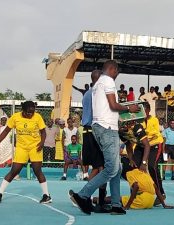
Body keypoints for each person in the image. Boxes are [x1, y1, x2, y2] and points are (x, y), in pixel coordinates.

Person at [69, 60, 139, 215]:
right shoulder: (107, 80)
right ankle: (83, 195)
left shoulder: (96, 85)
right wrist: (129, 108)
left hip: (101, 127)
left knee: (117, 167)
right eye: (117, 72)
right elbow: (114, 106)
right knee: (111, 168)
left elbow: (107, 107)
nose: (117, 75)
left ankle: (115, 204)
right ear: (112, 69)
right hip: (107, 128)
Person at [0, 101, 51, 203]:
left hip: (35, 147)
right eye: (28, 112)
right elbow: (6, 131)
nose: (31, 114)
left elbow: (43, 132)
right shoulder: (15, 117)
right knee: (14, 171)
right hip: (21, 148)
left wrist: (42, 143)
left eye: (32, 112)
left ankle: (46, 196)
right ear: (23, 110)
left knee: (37, 171)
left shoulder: (37, 117)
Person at [120, 102, 166, 203]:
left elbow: (153, 135)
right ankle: (136, 190)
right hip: (141, 145)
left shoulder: (154, 120)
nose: (143, 113)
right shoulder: (136, 122)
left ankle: (161, 193)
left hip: (154, 144)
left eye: (145, 111)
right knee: (133, 166)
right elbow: (129, 143)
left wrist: (144, 162)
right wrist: (131, 159)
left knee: (151, 166)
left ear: (148, 110)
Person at [81, 70, 108, 211]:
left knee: (97, 168)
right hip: (95, 132)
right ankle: (101, 201)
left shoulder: (87, 93)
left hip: (86, 132)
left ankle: (86, 197)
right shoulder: (97, 94)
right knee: (103, 167)